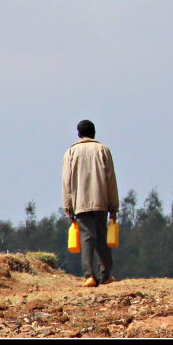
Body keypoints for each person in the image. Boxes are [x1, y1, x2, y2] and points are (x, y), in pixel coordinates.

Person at [63, 120, 120, 287]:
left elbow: (67, 182)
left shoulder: (71, 153)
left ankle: (89, 276)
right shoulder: (103, 150)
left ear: (79, 134)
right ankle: (105, 275)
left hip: (80, 202)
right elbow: (111, 180)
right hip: (101, 200)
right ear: (94, 133)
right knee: (102, 236)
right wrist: (114, 206)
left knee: (87, 237)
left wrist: (68, 208)